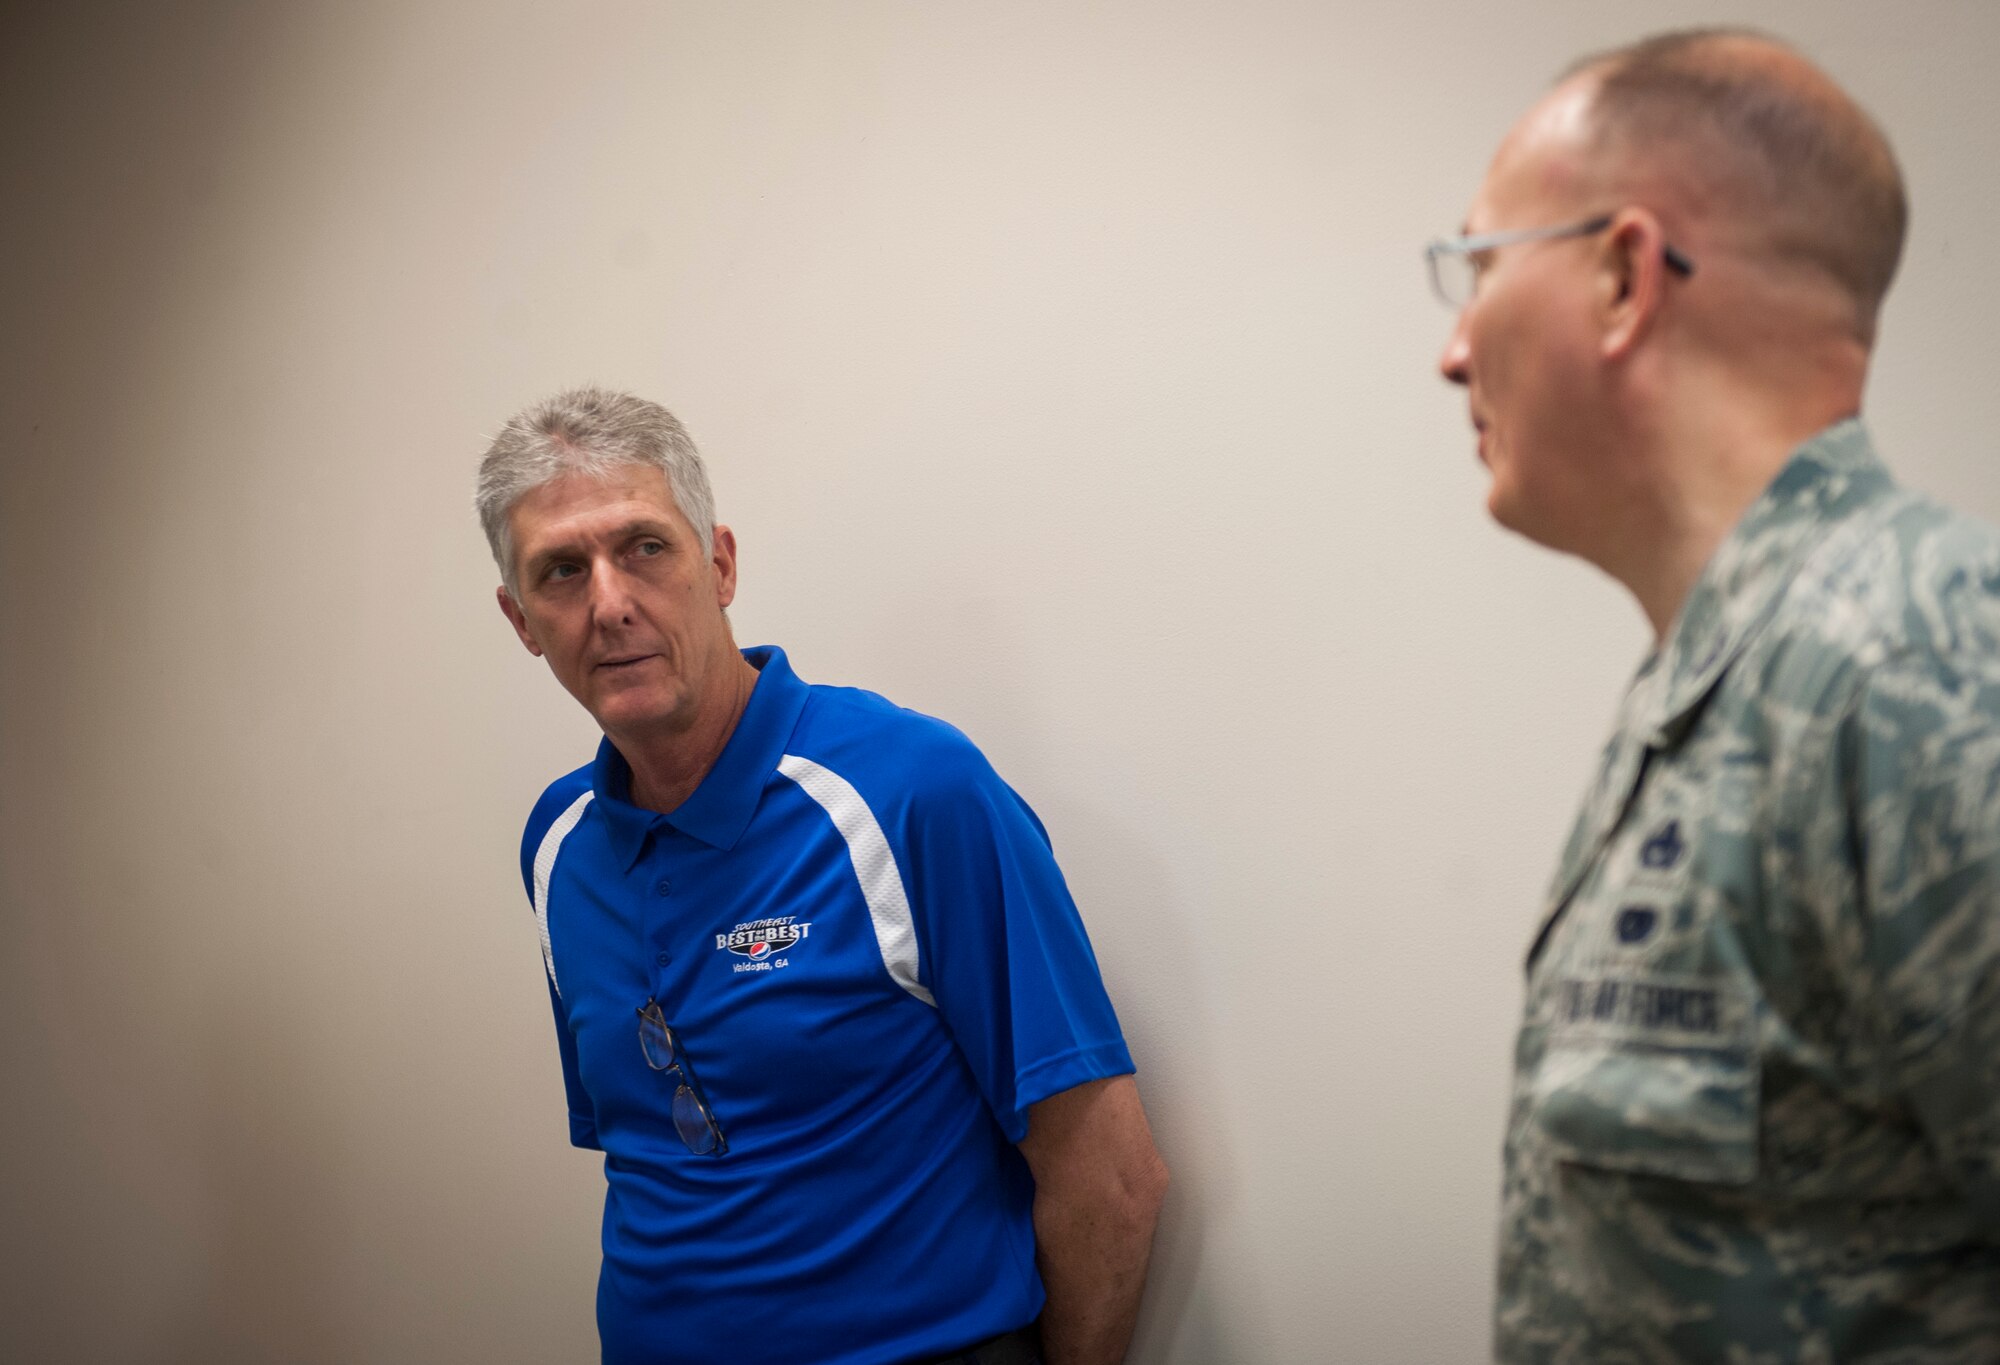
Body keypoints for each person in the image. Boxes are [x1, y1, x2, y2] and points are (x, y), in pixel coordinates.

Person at [1430, 28, 2000, 1362]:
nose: (1453, 353)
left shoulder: (1916, 670)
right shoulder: (1737, 684)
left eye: (1478, 267)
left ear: (1627, 275)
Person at [475, 387, 1167, 1365]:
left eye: (643, 547)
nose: (609, 603)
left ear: (717, 564)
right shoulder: (558, 844)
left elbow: (1111, 1175)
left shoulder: (907, 790)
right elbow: (657, 1155)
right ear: (521, 619)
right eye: (560, 571)